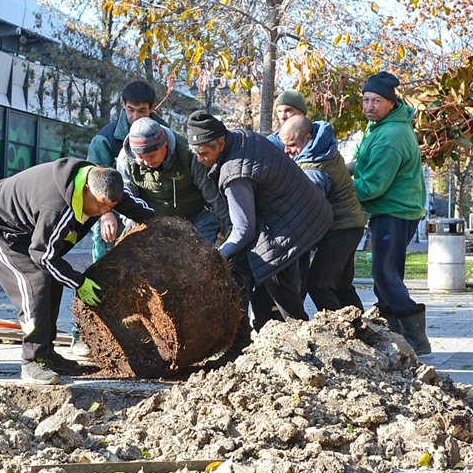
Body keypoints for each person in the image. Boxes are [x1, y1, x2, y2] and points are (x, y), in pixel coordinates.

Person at [0, 161, 154, 384]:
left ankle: (48, 355)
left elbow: (135, 207)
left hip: (29, 226)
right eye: (101, 205)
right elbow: (43, 256)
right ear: (86, 189)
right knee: (35, 281)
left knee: (53, 278)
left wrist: (158, 224)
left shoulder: (102, 184)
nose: (104, 212)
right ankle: (32, 360)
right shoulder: (56, 208)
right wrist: (79, 282)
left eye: (110, 207)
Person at [185, 110, 332, 330]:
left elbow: (243, 230)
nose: (199, 159)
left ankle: (302, 337)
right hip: (302, 212)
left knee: (272, 271)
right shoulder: (243, 137)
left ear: (221, 145)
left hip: (288, 227)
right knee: (243, 268)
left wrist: (217, 256)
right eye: (196, 153)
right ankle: (250, 334)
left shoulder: (234, 173)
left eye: (204, 153)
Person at [350, 71, 431, 355]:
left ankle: (416, 339)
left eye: (375, 101)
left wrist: (338, 190)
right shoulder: (379, 127)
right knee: (387, 273)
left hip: (395, 211)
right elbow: (361, 164)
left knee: (385, 275)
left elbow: (372, 185)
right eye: (365, 100)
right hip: (393, 209)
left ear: (390, 103)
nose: (369, 107)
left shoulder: (391, 136)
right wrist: (336, 169)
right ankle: (392, 332)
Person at [278, 115, 366, 313]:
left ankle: (342, 330)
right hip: (351, 225)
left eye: (291, 145)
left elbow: (312, 210)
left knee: (318, 285)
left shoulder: (313, 169)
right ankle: (365, 330)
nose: (287, 151)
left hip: (340, 230)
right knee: (342, 287)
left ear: (308, 138)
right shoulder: (324, 148)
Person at [110, 117, 230, 244]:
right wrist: (135, 225)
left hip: (197, 217)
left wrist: (229, 226)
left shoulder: (189, 154)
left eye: (151, 156)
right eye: (140, 157)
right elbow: (128, 199)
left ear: (165, 143)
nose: (147, 162)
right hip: (154, 222)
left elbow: (212, 195)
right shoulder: (126, 159)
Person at [86, 80, 162, 259]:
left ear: (152, 108)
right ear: (124, 106)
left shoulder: (163, 133)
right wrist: (106, 213)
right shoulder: (104, 140)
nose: (135, 116)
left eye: (141, 111)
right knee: (106, 262)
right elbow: (94, 183)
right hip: (110, 209)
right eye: (131, 110)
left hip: (148, 207)